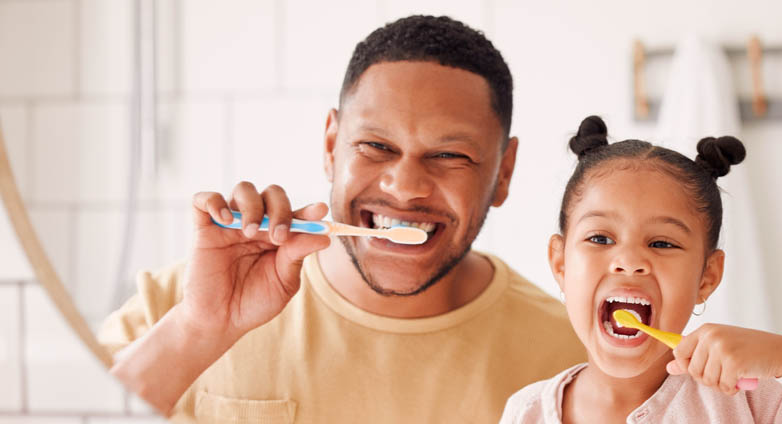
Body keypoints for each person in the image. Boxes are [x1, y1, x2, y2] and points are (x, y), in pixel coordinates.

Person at [100, 15, 586, 423]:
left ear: (503, 173)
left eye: (448, 154)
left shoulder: (573, 360)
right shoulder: (174, 308)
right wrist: (197, 331)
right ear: (332, 146)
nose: (405, 186)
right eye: (376, 146)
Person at [500, 116, 782, 423]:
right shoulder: (525, 412)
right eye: (600, 238)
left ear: (707, 277)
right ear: (561, 263)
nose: (629, 261)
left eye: (662, 243)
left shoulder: (756, 403)